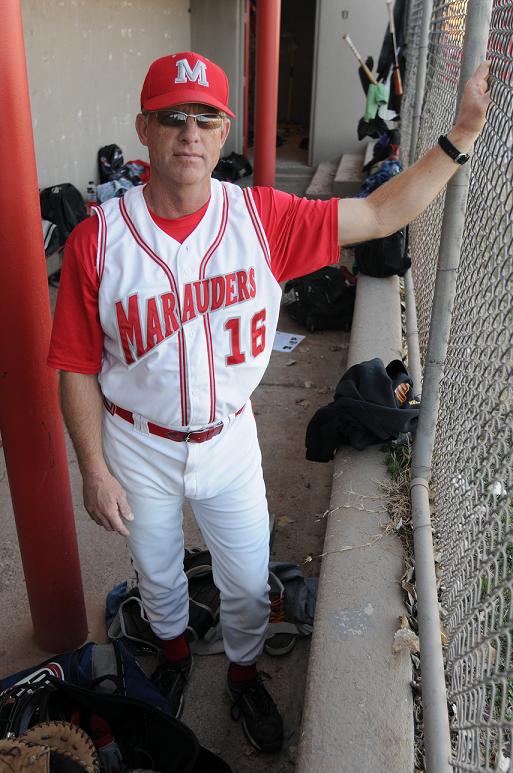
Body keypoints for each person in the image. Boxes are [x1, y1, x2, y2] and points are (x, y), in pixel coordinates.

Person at [48, 51, 490, 753]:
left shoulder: (261, 218)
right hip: (137, 444)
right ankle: (173, 661)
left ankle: (245, 674)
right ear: (144, 128)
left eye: (204, 118)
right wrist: (93, 467)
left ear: (223, 133)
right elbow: (73, 363)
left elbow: (379, 212)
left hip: (227, 441)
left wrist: (460, 135)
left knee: (250, 583)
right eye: (171, 117)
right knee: (158, 578)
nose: (188, 132)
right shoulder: (97, 238)